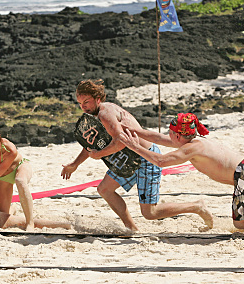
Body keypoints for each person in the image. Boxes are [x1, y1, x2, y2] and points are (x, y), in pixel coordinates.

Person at [61, 79, 213, 232]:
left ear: (97, 99)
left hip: (146, 158)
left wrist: (98, 154)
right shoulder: (95, 115)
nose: (83, 107)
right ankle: (131, 228)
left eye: (86, 102)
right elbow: (91, 144)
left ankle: (196, 206)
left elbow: (121, 142)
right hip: (128, 160)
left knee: (150, 213)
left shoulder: (105, 114)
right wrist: (75, 164)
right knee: (104, 190)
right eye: (80, 103)